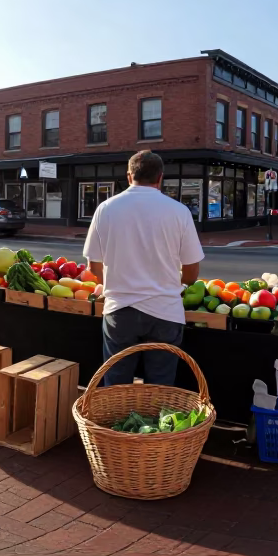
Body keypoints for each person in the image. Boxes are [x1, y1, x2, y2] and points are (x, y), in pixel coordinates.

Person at [83, 151, 204, 387]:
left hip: (119, 309)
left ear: (129, 177)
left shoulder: (105, 209)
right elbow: (191, 273)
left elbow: (93, 266)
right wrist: (176, 284)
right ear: (160, 178)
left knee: (116, 385)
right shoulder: (179, 211)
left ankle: (115, 424)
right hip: (165, 312)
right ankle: (155, 424)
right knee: (160, 387)